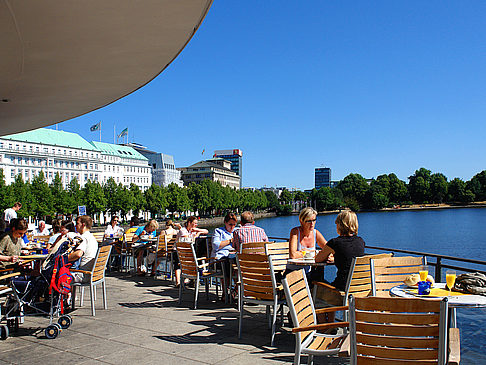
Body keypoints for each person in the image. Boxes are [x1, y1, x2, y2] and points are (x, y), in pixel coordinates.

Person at [316, 210, 365, 291]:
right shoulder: (360, 241)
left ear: (340, 225)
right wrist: (336, 258)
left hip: (342, 287)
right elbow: (349, 257)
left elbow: (317, 259)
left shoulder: (334, 243)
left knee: (316, 278)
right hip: (361, 285)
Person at [285, 207, 328, 281]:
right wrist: (308, 253)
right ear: (302, 221)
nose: (312, 224)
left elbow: (329, 248)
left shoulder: (315, 233)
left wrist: (329, 255)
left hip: (308, 273)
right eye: (309, 221)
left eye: (314, 220)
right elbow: (293, 255)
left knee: (320, 278)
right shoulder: (295, 232)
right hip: (293, 273)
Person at [173, 216, 208, 287]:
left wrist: (197, 230)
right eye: (194, 223)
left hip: (188, 251)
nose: (196, 225)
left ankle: (192, 279)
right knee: (179, 261)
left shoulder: (192, 230)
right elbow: (189, 240)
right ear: (189, 223)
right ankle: (178, 282)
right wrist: (197, 234)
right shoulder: (183, 230)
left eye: (196, 224)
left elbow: (206, 231)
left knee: (195, 257)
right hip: (178, 250)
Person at [211, 212, 238, 299]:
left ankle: (237, 290)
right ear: (225, 223)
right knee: (227, 264)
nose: (232, 227)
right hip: (219, 258)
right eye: (230, 224)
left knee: (241, 265)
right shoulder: (218, 231)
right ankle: (226, 292)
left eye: (234, 224)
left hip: (234, 256)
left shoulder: (237, 231)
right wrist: (230, 241)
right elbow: (216, 245)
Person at [68, 215, 98, 283]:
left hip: (82, 274)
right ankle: (70, 294)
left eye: (77, 223)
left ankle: (67, 293)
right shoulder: (92, 237)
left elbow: (78, 254)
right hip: (93, 274)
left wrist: (64, 259)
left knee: (57, 275)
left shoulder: (83, 238)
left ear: (83, 225)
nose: (75, 226)